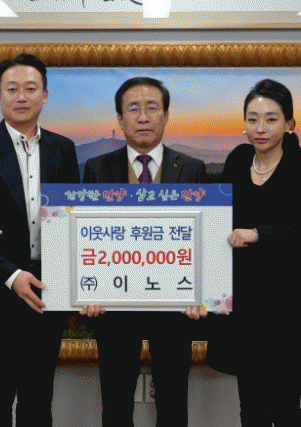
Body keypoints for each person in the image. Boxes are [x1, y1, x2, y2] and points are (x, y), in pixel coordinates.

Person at [0, 53, 80, 427]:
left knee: (38, 399)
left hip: (46, 289)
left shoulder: (62, 148)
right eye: (12, 89)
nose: (21, 97)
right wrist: (11, 275)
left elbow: (72, 219)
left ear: (45, 95)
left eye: (30, 88)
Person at [206, 79, 301, 427]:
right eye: (253, 119)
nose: (260, 128)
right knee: (251, 409)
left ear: (290, 123)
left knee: (285, 408)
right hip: (244, 305)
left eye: (271, 119)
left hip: (288, 306)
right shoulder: (237, 160)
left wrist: (260, 234)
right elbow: (218, 216)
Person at [81, 77, 207, 427]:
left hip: (175, 306)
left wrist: (202, 293)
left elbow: (203, 237)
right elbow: (87, 235)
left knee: (173, 404)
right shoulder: (97, 168)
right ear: (120, 119)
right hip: (114, 306)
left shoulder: (192, 169)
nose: (143, 117)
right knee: (116, 404)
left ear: (166, 115)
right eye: (133, 109)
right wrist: (86, 290)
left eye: (152, 108)